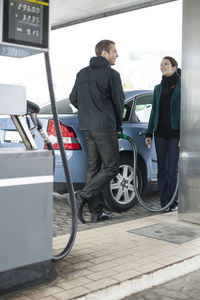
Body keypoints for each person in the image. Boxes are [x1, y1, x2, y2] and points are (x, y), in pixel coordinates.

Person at [69, 40, 125, 223]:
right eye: (114, 51)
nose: (116, 55)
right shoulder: (112, 74)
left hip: (86, 126)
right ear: (103, 53)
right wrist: (118, 126)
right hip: (104, 127)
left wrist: (88, 111)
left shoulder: (82, 73)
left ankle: (96, 213)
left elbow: (73, 98)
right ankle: (82, 195)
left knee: (93, 167)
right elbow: (118, 103)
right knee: (111, 167)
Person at [145, 56, 181, 211]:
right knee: (162, 170)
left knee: (172, 170)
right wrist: (148, 132)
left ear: (174, 67)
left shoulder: (182, 87)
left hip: (175, 134)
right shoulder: (158, 88)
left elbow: (187, 111)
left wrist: (184, 134)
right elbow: (154, 111)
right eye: (161, 64)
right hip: (160, 133)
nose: (162, 66)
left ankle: (174, 202)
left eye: (166, 64)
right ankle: (164, 202)